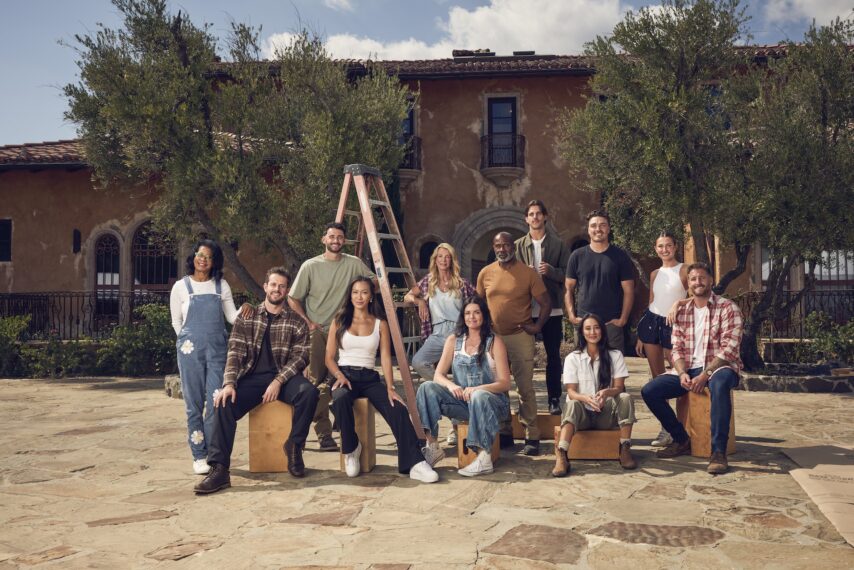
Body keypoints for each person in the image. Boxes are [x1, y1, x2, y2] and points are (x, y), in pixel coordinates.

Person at [194, 267, 319, 494]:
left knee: (309, 392)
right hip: (252, 378)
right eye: (273, 284)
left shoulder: (296, 321)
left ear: (287, 290)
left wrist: (279, 381)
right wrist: (229, 384)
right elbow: (235, 352)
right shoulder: (248, 318)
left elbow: (301, 356)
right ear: (265, 287)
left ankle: (294, 445)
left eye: (282, 286)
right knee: (224, 403)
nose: (277, 289)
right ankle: (220, 470)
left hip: (283, 378)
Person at [327, 277, 439, 483]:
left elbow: (386, 357)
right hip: (344, 375)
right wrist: (338, 375)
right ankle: (351, 449)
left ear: (371, 297)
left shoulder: (380, 323)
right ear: (349, 295)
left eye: (364, 292)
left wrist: (389, 386)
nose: (359, 296)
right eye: (355, 292)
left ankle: (414, 463)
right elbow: (328, 358)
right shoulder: (339, 320)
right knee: (340, 398)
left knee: (397, 408)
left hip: (369, 377)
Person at [641, 262, 743, 475]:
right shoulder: (682, 311)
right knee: (650, 391)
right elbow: (676, 348)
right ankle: (681, 439)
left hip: (719, 368)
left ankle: (718, 452)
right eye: (693, 279)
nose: (698, 282)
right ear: (688, 284)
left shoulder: (727, 308)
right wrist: (681, 373)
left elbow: (730, 349)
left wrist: (705, 374)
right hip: (689, 369)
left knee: (720, 384)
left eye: (702, 278)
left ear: (711, 280)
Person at [288, 222, 376, 452]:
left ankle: (330, 431)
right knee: (315, 382)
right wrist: (308, 323)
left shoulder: (354, 263)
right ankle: (322, 433)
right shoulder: (310, 266)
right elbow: (293, 298)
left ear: (344, 241)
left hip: (342, 332)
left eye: (340, 237)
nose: (336, 240)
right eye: (332, 237)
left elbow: (373, 282)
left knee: (334, 381)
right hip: (318, 332)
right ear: (323, 239)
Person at [416, 295, 511, 477]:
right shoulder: (454, 340)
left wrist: (479, 388)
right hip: (463, 404)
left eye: (476, 312)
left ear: (484, 315)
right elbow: (438, 375)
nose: (472, 317)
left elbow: (505, 383)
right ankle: (432, 446)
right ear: (463, 316)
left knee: (479, 396)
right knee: (426, 387)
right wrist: (451, 386)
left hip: (492, 404)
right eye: (467, 313)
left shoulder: (494, 342)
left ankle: (484, 458)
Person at [477, 232, 551, 456]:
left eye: (506, 245)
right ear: (494, 247)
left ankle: (532, 435)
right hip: (494, 338)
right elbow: (477, 305)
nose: (502, 249)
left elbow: (546, 302)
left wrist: (537, 328)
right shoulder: (485, 273)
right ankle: (504, 430)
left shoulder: (528, 273)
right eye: (498, 245)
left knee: (525, 387)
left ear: (514, 247)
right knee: (498, 387)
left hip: (520, 337)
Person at [170, 239, 239, 475]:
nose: (203, 259)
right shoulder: (181, 286)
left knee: (216, 401)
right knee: (194, 404)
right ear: (194, 257)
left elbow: (233, 318)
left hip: (218, 351)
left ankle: (213, 452)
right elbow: (176, 321)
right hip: (190, 352)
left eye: (208, 257)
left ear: (214, 262)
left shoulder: (222, 286)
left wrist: (249, 310)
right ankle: (198, 455)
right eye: (200, 254)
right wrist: (185, 341)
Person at [405, 242, 475, 446]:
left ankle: (455, 427)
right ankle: (445, 386)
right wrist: (418, 301)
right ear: (435, 260)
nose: (444, 260)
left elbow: (477, 302)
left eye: (447, 257)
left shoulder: (461, 283)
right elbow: (408, 295)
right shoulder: (429, 282)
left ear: (452, 260)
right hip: (436, 333)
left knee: (461, 376)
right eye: (440, 256)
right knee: (418, 362)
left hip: (459, 332)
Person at [552, 314, 637, 477]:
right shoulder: (573, 358)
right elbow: (571, 391)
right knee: (571, 403)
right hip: (582, 415)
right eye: (588, 328)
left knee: (625, 397)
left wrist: (607, 393)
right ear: (582, 332)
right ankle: (562, 453)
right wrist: (585, 398)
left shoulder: (615, 355)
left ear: (603, 331)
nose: (593, 332)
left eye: (596, 328)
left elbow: (619, 387)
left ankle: (625, 447)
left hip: (605, 414)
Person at [515, 200, 570, 416]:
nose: (535, 217)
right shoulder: (518, 245)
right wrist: (523, 273)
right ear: (526, 218)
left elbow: (568, 275)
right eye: (531, 214)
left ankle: (554, 399)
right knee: (523, 358)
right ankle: (524, 403)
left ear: (545, 217)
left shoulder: (558, 245)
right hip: (526, 310)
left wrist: (552, 271)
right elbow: (510, 274)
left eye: (539, 213)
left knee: (553, 356)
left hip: (552, 310)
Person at [635, 231, 689, 448]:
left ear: (675, 247)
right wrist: (641, 334)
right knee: (658, 380)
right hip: (651, 323)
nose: (664, 249)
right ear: (655, 248)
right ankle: (665, 428)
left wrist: (679, 304)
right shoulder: (655, 273)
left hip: (674, 325)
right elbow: (652, 301)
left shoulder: (685, 269)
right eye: (660, 246)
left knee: (679, 377)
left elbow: (697, 296)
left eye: (668, 245)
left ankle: (681, 428)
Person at [565, 210, 635, 352]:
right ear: (588, 229)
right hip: (584, 323)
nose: (598, 229)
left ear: (609, 229)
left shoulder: (620, 256)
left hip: (611, 325)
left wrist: (623, 319)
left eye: (602, 225)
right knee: (584, 368)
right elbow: (568, 289)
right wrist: (572, 316)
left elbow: (629, 291)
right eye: (594, 225)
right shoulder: (577, 256)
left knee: (614, 370)